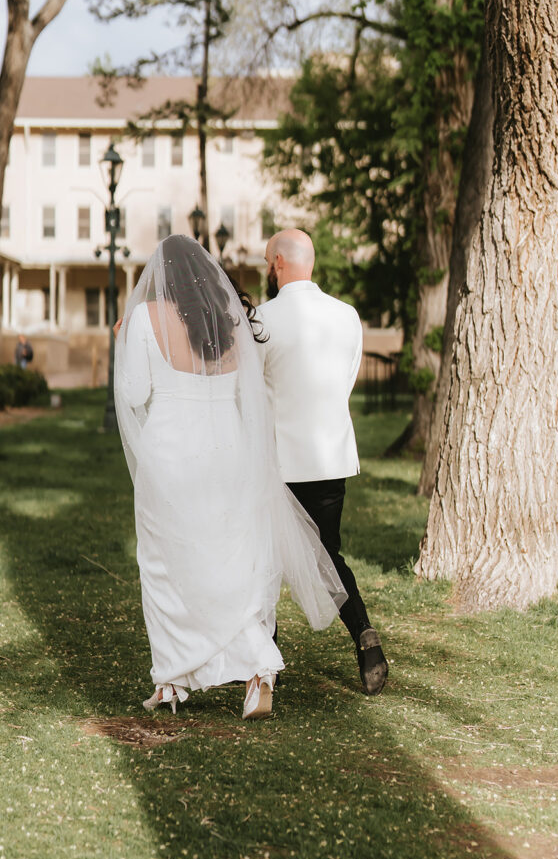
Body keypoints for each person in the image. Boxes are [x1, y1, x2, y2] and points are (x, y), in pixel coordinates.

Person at [114, 234, 347, 720]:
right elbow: (250, 393)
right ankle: (257, 668)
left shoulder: (144, 318)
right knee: (231, 559)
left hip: (171, 450)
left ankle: (172, 679)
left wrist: (122, 343)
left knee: (163, 563)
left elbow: (134, 394)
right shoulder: (230, 318)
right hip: (228, 447)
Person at [256, 229, 389, 696]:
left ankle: (265, 667)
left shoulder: (261, 320)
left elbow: (252, 391)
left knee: (264, 561)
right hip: (330, 457)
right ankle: (365, 636)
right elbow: (345, 381)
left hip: (279, 462)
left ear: (278, 263)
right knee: (328, 554)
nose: (267, 269)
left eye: (267, 262)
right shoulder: (347, 316)